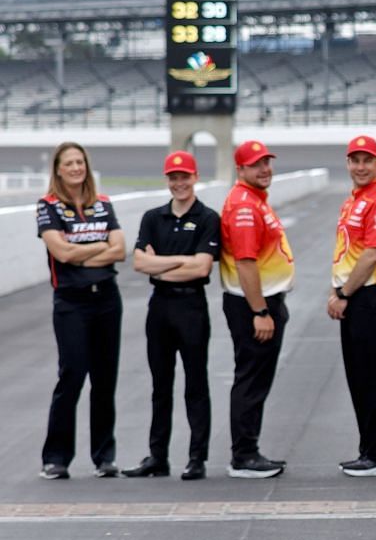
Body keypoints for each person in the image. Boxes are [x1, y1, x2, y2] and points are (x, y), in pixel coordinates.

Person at [127, 150, 219, 479]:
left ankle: (197, 458)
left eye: (184, 177)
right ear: (167, 180)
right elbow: (139, 263)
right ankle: (158, 456)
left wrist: (160, 264)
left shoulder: (208, 217)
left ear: (195, 178)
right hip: (161, 306)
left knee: (196, 384)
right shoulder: (153, 217)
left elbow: (203, 267)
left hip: (191, 306)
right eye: (173, 177)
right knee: (160, 385)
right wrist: (181, 262)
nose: (179, 183)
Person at [36, 141, 125, 480]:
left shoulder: (102, 204)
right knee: (72, 376)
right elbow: (62, 254)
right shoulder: (48, 207)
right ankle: (56, 457)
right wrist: (99, 246)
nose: (75, 168)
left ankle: (104, 456)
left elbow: (119, 251)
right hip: (71, 302)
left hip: (106, 299)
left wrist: (85, 249)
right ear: (58, 169)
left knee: (105, 379)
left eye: (80, 162)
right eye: (69, 163)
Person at [328, 135, 376, 477]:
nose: (360, 167)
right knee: (359, 377)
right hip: (355, 296)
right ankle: (369, 448)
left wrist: (343, 293)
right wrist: (339, 291)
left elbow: (372, 254)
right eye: (355, 160)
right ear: (347, 163)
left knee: (372, 376)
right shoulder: (354, 200)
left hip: (371, 296)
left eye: (367, 160)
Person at [219, 139, 294, 478]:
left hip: (260, 301)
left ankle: (249, 449)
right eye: (256, 165)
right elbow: (246, 262)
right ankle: (244, 455)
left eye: (267, 162)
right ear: (241, 170)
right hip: (253, 305)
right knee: (251, 378)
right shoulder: (245, 206)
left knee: (256, 378)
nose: (264, 169)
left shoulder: (254, 200)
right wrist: (260, 312)